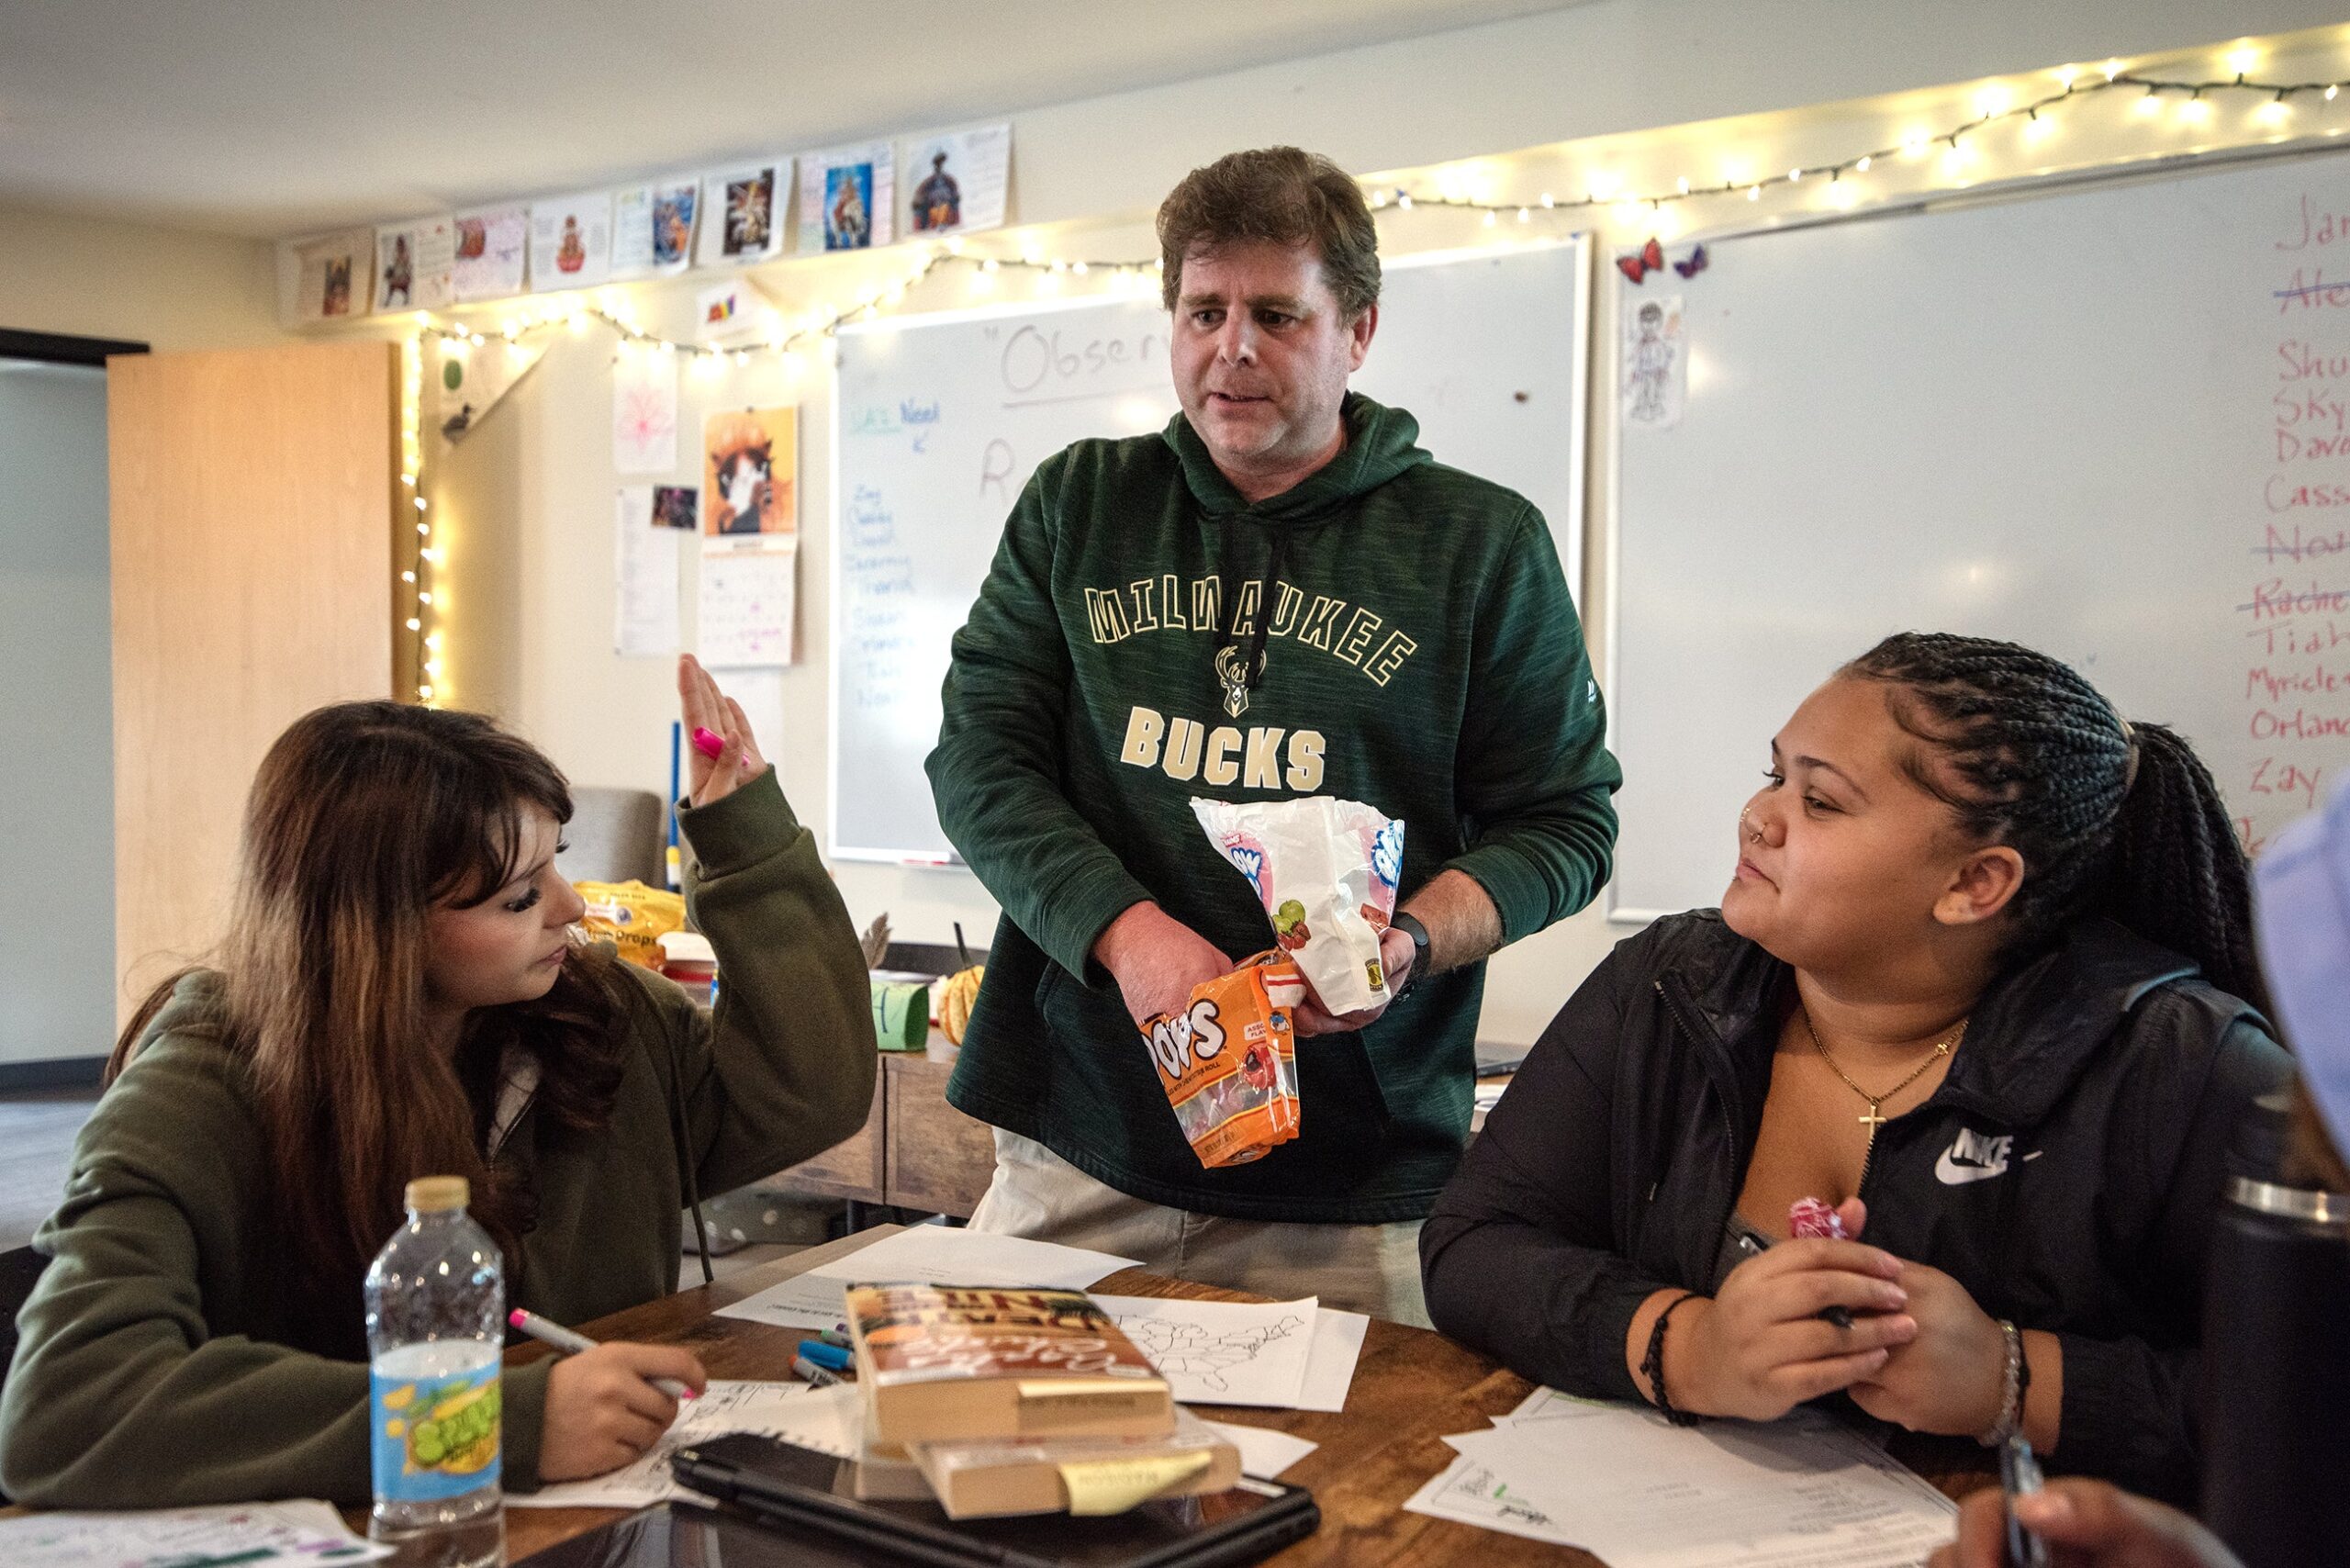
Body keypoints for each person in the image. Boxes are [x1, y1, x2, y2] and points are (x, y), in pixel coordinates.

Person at [925, 146, 1619, 1325]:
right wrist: (1134, 940)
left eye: (1277, 314)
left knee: (1346, 1507)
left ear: (1358, 329)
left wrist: (1406, 945)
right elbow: (980, 761)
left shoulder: (1481, 544)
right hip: (1076, 1150)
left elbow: (1565, 823)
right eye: (1204, 311)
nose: (1231, 348)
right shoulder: (1079, 504)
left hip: (1352, 1189)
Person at [1422, 633, 2289, 1502]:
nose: (1758, 818)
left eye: (1822, 802)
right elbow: (1476, 1241)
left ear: (1976, 883)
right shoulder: (1668, 984)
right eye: (1773, 775)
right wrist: (1690, 1348)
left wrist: (2013, 1381)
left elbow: (2311, 1407)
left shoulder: (2182, 1066)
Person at [0, 655, 875, 1506]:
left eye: (555, 863)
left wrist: (746, 843)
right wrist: (486, 1424)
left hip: (587, 1519)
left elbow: (807, 1093)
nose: (571, 908)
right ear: (380, 930)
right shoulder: (208, 1075)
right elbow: (69, 1407)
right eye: (518, 896)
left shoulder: (598, 1016)